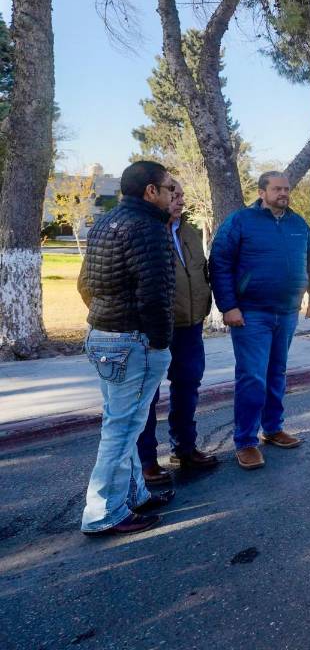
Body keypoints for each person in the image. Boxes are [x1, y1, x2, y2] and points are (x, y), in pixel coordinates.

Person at [77, 161, 176, 536]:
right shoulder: (148, 227)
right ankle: (102, 512)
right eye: (168, 188)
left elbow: (87, 283)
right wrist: (160, 342)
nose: (172, 195)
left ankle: (133, 494)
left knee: (122, 423)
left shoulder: (106, 222)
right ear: (151, 191)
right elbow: (154, 294)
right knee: (121, 429)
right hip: (132, 340)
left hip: (104, 334)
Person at [210, 171, 310, 470]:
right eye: (277, 189)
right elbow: (219, 263)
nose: (283, 193)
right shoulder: (240, 221)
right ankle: (245, 441)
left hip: (287, 312)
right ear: (262, 192)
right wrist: (228, 306)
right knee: (252, 377)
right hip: (251, 314)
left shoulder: (298, 224)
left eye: (286, 188)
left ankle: (273, 428)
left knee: (277, 373)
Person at [136, 178, 220, 483]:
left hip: (190, 327)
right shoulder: (140, 231)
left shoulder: (189, 232)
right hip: (152, 331)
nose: (181, 200)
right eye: (174, 194)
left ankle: (184, 448)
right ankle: (146, 461)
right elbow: (94, 284)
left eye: (183, 195)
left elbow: (201, 273)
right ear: (155, 194)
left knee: (187, 387)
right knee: (147, 395)